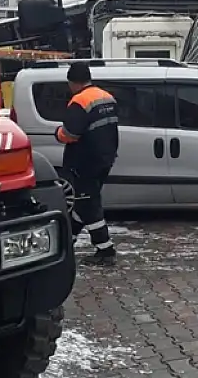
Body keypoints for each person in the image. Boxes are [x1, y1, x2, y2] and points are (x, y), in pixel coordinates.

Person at [56, 62, 120, 266]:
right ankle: (69, 242)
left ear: (72, 82)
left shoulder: (79, 101)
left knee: (88, 204)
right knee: (82, 201)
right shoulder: (106, 97)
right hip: (105, 159)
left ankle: (105, 249)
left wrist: (57, 134)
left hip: (84, 162)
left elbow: (70, 134)